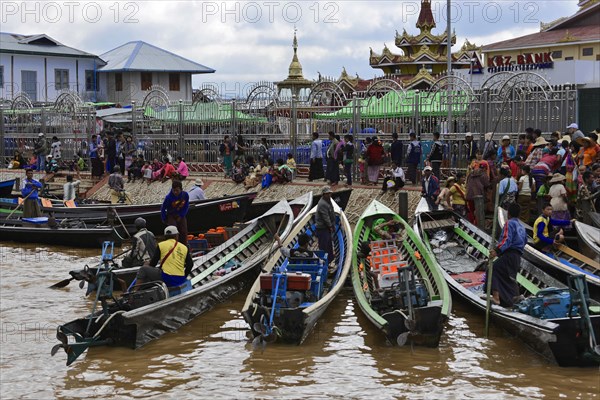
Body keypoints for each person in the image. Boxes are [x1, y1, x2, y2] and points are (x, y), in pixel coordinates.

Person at [487, 203, 528, 307]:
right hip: (517, 257)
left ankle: (496, 297)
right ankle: (514, 298)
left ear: (508, 214)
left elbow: (506, 239)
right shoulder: (522, 227)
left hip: (510, 254)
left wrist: (497, 250)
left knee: (493, 269)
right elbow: (525, 241)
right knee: (510, 277)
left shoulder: (509, 223)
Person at [133, 225, 193, 290]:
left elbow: (153, 264)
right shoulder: (184, 247)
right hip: (180, 279)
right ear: (176, 236)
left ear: (165, 236)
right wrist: (184, 277)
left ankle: (134, 291)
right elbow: (190, 265)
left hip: (167, 278)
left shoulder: (161, 245)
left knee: (143, 269)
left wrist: (147, 264)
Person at [161, 180, 190, 245]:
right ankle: (173, 246)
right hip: (171, 215)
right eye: (174, 190)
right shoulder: (168, 198)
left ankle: (184, 246)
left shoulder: (185, 195)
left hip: (181, 214)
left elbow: (186, 206)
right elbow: (163, 208)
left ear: (181, 189)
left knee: (183, 231)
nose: (175, 192)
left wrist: (181, 215)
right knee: (173, 231)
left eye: (177, 190)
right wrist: (164, 218)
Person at [315, 186, 336, 270]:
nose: (329, 195)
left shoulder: (328, 200)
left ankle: (328, 262)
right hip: (322, 228)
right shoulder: (322, 203)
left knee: (328, 245)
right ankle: (324, 264)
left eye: (330, 193)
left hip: (326, 228)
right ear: (324, 194)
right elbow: (325, 217)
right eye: (327, 194)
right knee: (324, 247)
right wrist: (330, 226)